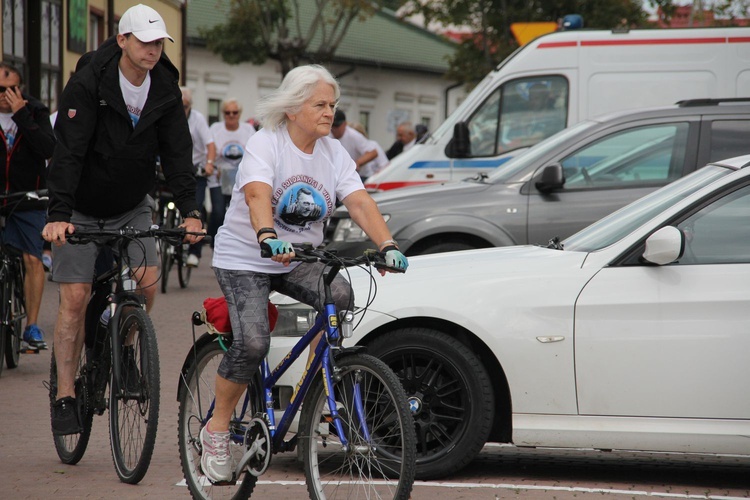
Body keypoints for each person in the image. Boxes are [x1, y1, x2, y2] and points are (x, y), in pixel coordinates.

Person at [202, 64, 408, 483]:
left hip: (297, 258)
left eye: (332, 104)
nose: (329, 112)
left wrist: (388, 246)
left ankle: (313, 394)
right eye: (320, 104)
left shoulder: (333, 152)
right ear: (294, 108)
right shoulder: (266, 143)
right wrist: (266, 234)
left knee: (342, 295)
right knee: (254, 341)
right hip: (246, 256)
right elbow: (257, 193)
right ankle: (217, 429)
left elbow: (360, 202)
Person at [42, 3, 204, 436]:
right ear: (123, 41)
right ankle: (65, 393)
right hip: (79, 205)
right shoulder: (88, 81)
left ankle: (126, 347)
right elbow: (68, 152)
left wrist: (190, 211)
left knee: (147, 283)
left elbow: (176, 153)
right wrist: (58, 215)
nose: (153, 49)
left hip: (132, 202)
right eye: (145, 41)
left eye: (159, 43)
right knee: (74, 299)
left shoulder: (165, 87)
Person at [0, 62, 56, 350]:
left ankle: (32, 326)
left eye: (10, 89)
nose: (4, 94)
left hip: (28, 198)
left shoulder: (35, 111)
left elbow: (49, 148)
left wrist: (22, 116)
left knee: (33, 260)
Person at [181, 87, 217, 267]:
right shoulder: (167, 115)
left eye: (185, 106)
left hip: (196, 169)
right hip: (175, 168)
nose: (182, 109)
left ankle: (194, 252)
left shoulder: (198, 119)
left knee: (197, 207)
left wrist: (209, 163)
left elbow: (210, 144)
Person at [209, 98, 255, 216]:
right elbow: (209, 150)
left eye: (234, 112)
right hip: (218, 177)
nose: (231, 115)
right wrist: (210, 164)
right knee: (218, 212)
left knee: (237, 213)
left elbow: (254, 152)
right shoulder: (215, 129)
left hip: (240, 178)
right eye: (227, 112)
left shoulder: (248, 130)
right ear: (223, 113)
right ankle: (214, 234)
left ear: (239, 114)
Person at [329, 110, 378, 176]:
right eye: (332, 126)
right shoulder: (327, 135)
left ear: (344, 124)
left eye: (337, 126)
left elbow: (373, 153)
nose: (334, 129)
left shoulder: (353, 135)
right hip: (339, 174)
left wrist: (357, 163)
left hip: (361, 175)